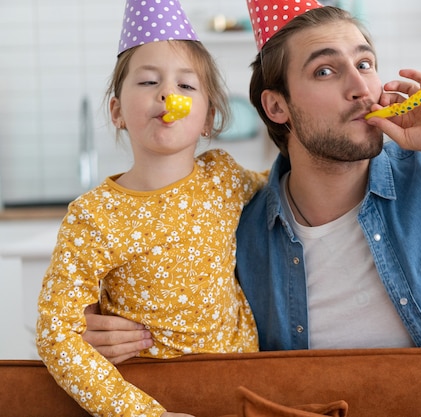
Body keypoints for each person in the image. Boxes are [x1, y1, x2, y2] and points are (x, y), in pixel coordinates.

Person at [83, 0, 421, 358]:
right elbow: (171, 313)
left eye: (365, 63)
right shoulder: (240, 232)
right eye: (326, 70)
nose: (361, 88)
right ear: (277, 106)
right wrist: (100, 326)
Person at [35, 1, 266, 416]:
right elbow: (57, 332)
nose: (167, 94)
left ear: (209, 117)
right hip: (149, 394)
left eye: (186, 86)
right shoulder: (93, 216)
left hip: (238, 389)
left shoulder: (225, 177)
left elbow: (291, 185)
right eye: (147, 82)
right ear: (117, 111)